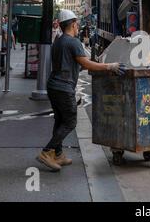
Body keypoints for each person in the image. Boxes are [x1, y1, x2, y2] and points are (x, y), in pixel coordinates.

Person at [37, 10, 126, 172]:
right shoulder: (73, 42)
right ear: (72, 24)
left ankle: (58, 154)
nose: (78, 26)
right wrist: (110, 66)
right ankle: (46, 152)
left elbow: (75, 64)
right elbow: (86, 64)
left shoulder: (59, 41)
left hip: (54, 86)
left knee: (60, 121)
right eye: (76, 24)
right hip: (64, 88)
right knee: (70, 122)